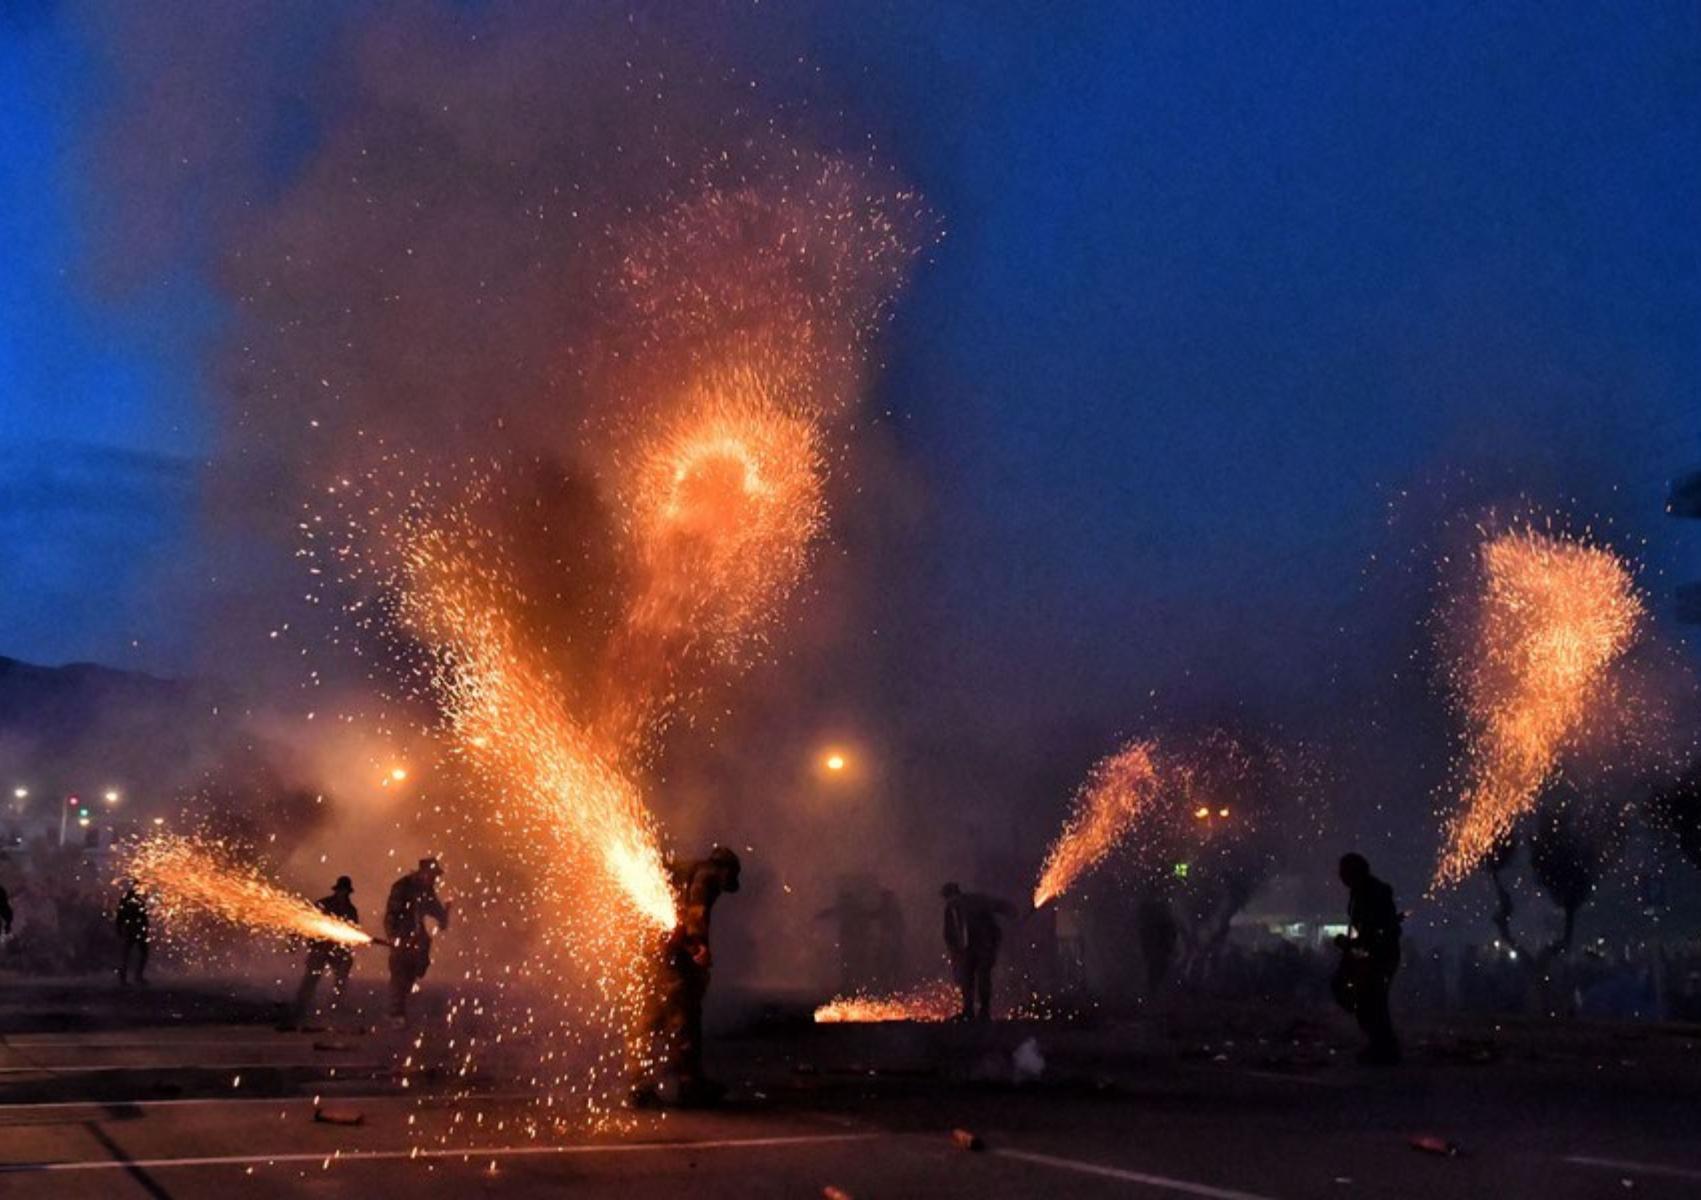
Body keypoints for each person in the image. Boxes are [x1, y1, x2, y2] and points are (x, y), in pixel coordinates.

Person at [634, 845, 741, 1107]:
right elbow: (696, 910)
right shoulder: (708, 875)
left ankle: (639, 1085)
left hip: (654, 948)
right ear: (725, 869)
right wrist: (700, 945)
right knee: (684, 1015)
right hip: (674, 954)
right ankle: (689, 1085)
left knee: (650, 1015)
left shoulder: (685, 869)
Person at [1332, 852, 1402, 1065]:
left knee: (1371, 1001)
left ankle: (1383, 1047)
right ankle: (1382, 1045)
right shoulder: (1362, 892)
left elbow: (1376, 931)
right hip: (1372, 954)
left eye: (1344, 871)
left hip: (1379, 955)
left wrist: (1351, 944)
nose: (1340, 876)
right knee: (1369, 1001)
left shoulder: (1372, 893)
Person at [384, 858, 450, 1024]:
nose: (434, 879)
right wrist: (394, 937)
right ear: (423, 873)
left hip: (418, 938)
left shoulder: (427, 890)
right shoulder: (402, 887)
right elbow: (391, 915)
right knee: (399, 974)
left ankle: (400, 1007)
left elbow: (436, 910)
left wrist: (443, 916)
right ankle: (396, 1014)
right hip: (401, 933)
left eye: (435, 876)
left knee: (414, 972)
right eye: (432, 875)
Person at [291, 876, 359, 1025]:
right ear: (337, 890)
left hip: (338, 950)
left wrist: (347, 949)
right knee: (311, 978)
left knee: (341, 979)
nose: (343, 894)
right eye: (342, 891)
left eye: (345, 891)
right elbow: (304, 921)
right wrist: (294, 941)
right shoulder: (323, 904)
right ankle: (300, 1007)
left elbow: (353, 931)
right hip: (319, 947)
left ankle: (336, 1005)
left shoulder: (351, 910)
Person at [942, 882, 1014, 1021]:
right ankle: (972, 1011)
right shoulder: (956, 907)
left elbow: (996, 905)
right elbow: (949, 933)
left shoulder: (972, 901)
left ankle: (981, 1012)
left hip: (982, 946)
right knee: (969, 979)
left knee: (980, 979)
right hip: (972, 949)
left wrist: (1011, 912)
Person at [116, 881, 150, 986]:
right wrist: (119, 927)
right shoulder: (134, 898)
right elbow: (121, 914)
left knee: (130, 953)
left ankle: (130, 977)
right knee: (133, 953)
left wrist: (119, 927)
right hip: (134, 928)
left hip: (133, 928)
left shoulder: (129, 897)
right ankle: (134, 976)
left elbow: (120, 914)